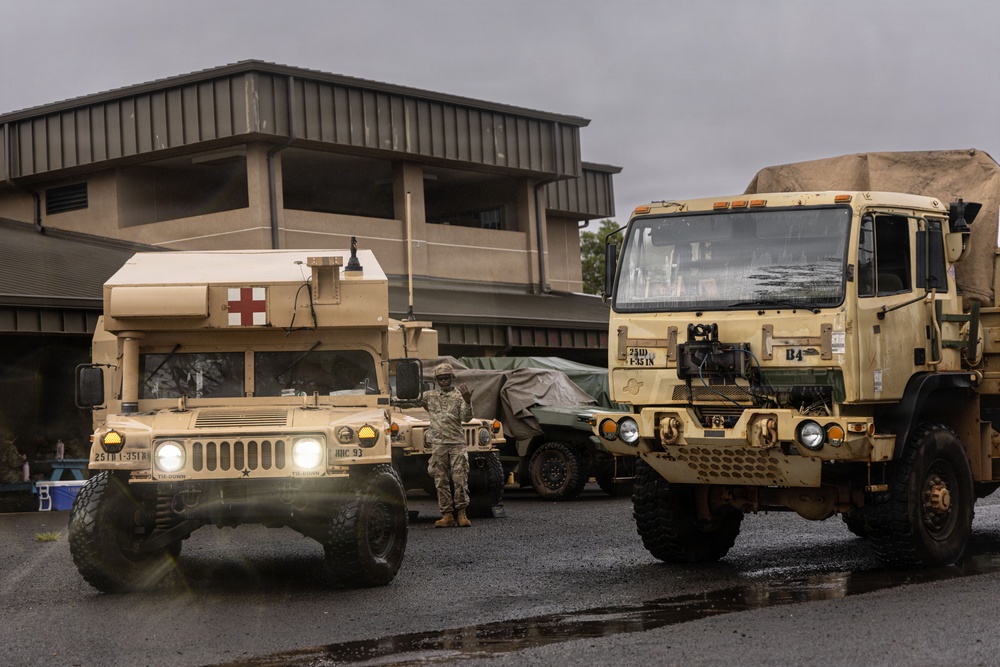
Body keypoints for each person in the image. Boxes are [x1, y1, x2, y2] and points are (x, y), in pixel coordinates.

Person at [418, 363, 474, 527]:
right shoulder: (430, 396)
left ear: (451, 378)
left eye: (446, 378)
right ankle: (447, 515)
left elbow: (466, 418)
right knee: (440, 480)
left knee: (460, 479)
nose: (443, 381)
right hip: (439, 445)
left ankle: (462, 514)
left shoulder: (459, 396)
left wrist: (468, 401)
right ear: (436, 379)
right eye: (440, 378)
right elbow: (409, 401)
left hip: (457, 444)